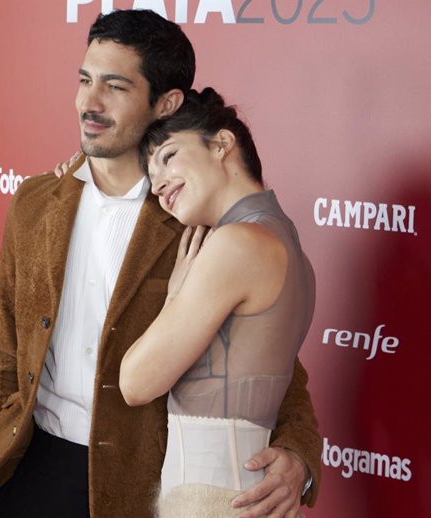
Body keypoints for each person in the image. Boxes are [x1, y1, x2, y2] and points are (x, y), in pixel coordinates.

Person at [0, 9, 320, 518]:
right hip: (30, 473)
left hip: (139, 487)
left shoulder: (196, 218)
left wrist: (300, 454)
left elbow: (275, 358)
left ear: (165, 102)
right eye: (84, 80)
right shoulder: (35, 202)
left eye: (115, 86)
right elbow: (5, 345)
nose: (89, 102)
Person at [118, 87, 317, 517]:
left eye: (168, 156)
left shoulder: (236, 244)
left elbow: (135, 383)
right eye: (151, 176)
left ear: (222, 143)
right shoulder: (290, 248)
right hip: (238, 495)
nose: (158, 185)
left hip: (210, 502)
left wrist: (175, 296)